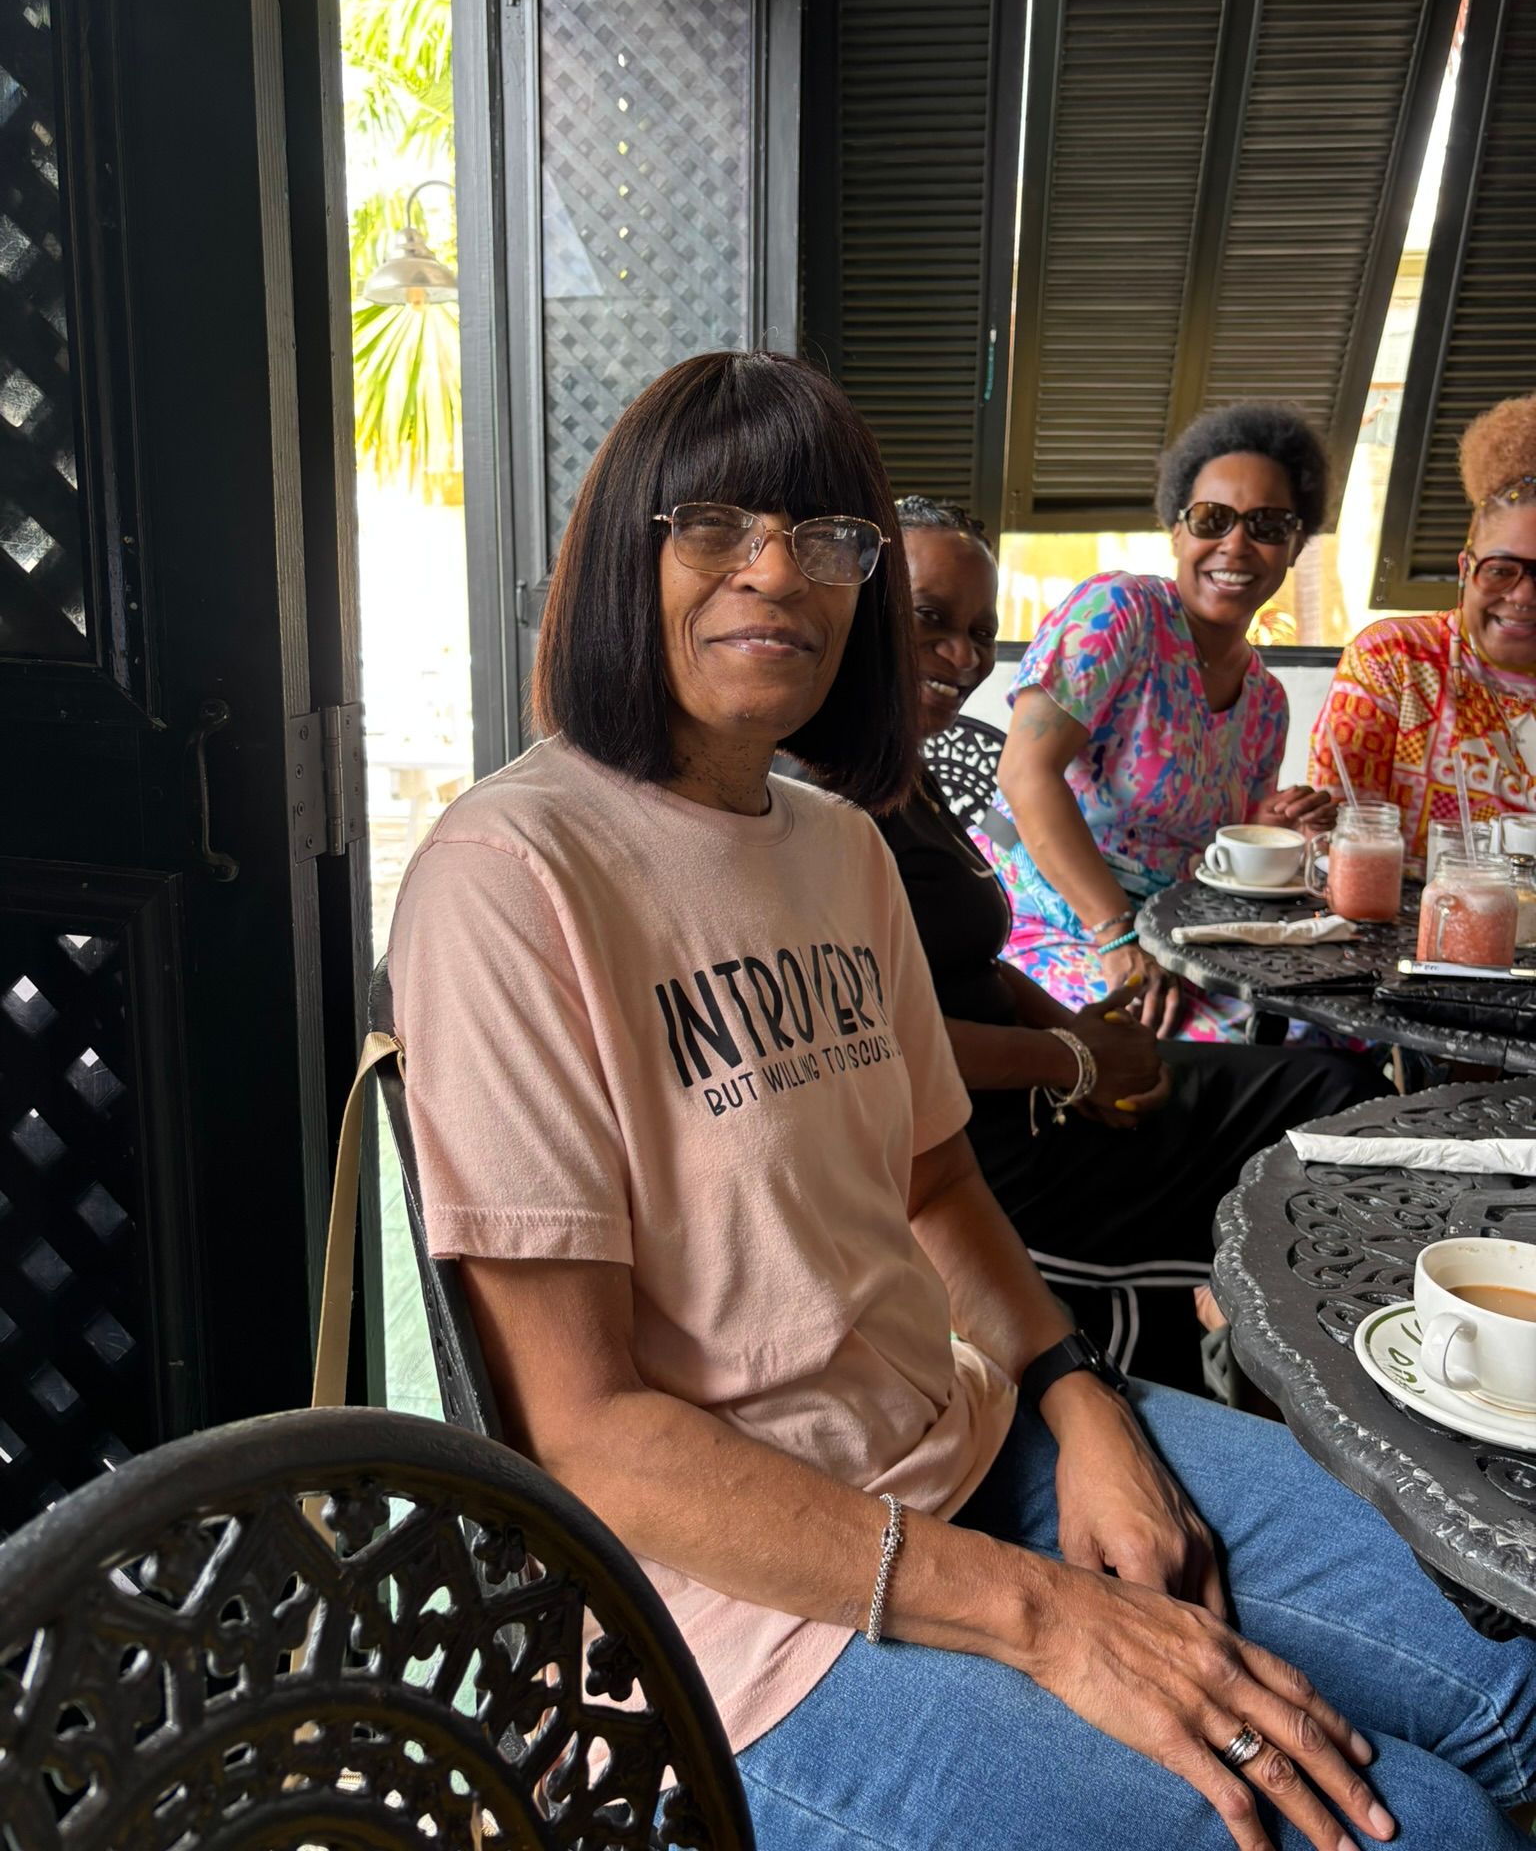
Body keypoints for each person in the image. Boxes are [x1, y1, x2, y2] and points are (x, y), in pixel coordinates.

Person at [389, 352, 1536, 1850]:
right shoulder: (511, 875)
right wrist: (1050, 1620)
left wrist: (1083, 1399)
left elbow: (934, 1189)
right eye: (715, 524)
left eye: (827, 539)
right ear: (622, 550)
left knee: (1509, 1692)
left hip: (980, 1442)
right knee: (1429, 1829)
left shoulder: (834, 847)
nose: (778, 574)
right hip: (739, 1617)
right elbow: (585, 1428)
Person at [867, 495, 1384, 1391]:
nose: (964, 658)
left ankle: (1293, 1344)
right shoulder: (818, 804)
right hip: (989, 1161)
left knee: (1337, 1082)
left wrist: (1087, 1041)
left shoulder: (895, 781)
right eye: (928, 621)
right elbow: (875, 1048)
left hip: (1044, 1073)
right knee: (1306, 1131)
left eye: (982, 632)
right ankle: (1250, 1354)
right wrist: (1072, 1057)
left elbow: (970, 965)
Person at [975, 402, 1336, 1042]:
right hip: (1041, 913)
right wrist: (1115, 936)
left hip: (1176, 932)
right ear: (1177, 531)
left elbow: (1225, 851)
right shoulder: (1120, 612)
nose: (1236, 544)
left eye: (1268, 524)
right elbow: (1025, 774)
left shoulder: (1266, 703)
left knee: (1321, 1035)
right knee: (1191, 1054)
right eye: (1212, 519)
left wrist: (1278, 827)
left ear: (1295, 545)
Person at [1311, 393, 1536, 864]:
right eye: (1500, 570)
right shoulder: (1395, 662)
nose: (1523, 596)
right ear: (1465, 568)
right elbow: (1338, 844)